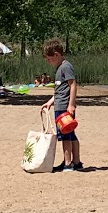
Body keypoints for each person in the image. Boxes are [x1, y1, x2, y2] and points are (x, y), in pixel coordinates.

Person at [43, 39, 81, 172]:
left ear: (56, 54)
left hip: (64, 108)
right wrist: (50, 102)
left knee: (65, 135)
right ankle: (76, 162)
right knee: (70, 135)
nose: (49, 62)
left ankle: (68, 163)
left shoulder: (66, 67)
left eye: (49, 59)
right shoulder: (59, 69)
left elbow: (73, 85)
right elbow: (59, 90)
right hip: (59, 105)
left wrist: (71, 105)